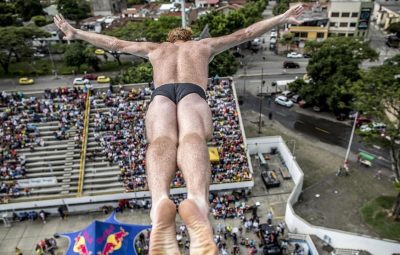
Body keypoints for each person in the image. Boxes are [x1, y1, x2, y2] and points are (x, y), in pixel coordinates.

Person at [54, 4, 304, 254]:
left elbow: (115, 43)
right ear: (189, 38)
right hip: (192, 93)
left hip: (161, 95)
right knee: (193, 136)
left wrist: (76, 33)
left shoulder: (156, 49)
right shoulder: (202, 46)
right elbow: (246, 33)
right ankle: (196, 200)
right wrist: (282, 17)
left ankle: (160, 200)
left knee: (160, 140)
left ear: (169, 39)